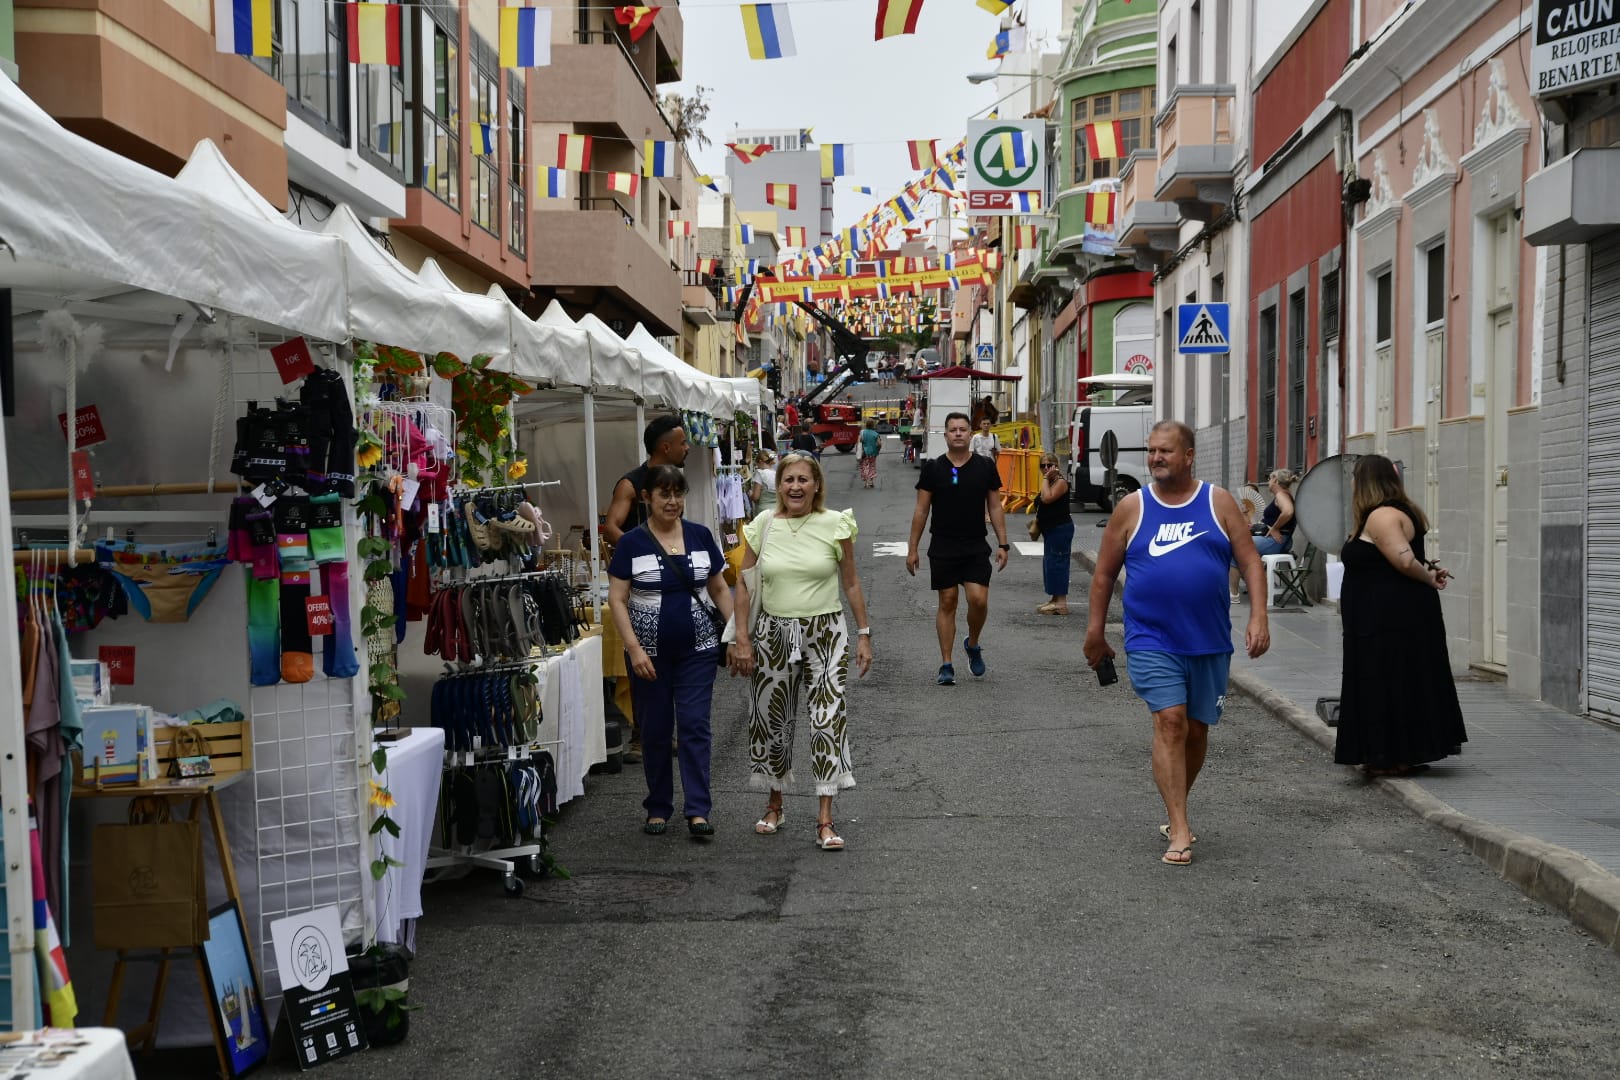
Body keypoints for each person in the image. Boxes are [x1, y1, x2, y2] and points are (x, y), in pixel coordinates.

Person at [1082, 421, 1270, 867]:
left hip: (1207, 640)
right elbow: (1105, 575)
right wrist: (1094, 633)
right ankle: (1181, 827)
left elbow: (1250, 562)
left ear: (1188, 456)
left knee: (1197, 728)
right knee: (1171, 721)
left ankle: (1174, 806)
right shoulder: (1132, 508)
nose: (1155, 458)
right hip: (1151, 639)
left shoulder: (1218, 502)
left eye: (1165, 451)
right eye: (1151, 451)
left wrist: (1260, 616)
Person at [729, 452, 873, 851]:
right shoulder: (762, 525)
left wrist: (864, 633)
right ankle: (774, 804)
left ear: (816, 485)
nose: (795, 487)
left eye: (803, 480)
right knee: (773, 720)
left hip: (825, 632)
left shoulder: (836, 525)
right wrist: (742, 637)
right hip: (773, 632)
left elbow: (852, 584)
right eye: (788, 479)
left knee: (828, 718)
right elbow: (745, 583)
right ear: (779, 484)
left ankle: (825, 818)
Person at [606, 465, 733, 839]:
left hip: (699, 649)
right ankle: (658, 806)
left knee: (695, 726)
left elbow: (720, 588)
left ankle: (698, 809)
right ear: (646, 498)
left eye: (678, 493)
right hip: (648, 653)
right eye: (664, 494)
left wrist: (737, 632)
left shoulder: (700, 535)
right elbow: (617, 599)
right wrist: (634, 649)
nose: (673, 502)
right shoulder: (631, 542)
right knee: (657, 730)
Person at [1333, 455, 1466, 776]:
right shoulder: (1396, 512)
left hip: (1388, 618)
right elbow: (1402, 558)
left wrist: (1429, 577)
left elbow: (1404, 561)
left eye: (1355, 476)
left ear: (1366, 482)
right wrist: (1429, 569)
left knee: (1387, 679)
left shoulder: (1381, 516)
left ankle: (1392, 756)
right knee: (1400, 678)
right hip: (1390, 614)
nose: (1351, 482)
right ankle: (1397, 753)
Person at [906, 412, 1010, 686]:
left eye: (963, 429)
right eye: (953, 430)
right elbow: (921, 510)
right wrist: (912, 548)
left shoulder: (985, 466)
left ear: (970, 433)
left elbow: (995, 506)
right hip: (943, 544)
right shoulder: (934, 468)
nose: (958, 433)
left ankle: (972, 643)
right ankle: (946, 663)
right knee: (948, 601)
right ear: (946, 435)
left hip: (975, 544)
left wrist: (1003, 543)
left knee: (978, 600)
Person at [604, 414, 690, 545]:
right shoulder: (630, 484)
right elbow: (610, 530)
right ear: (666, 447)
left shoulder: (676, 481)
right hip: (640, 563)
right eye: (683, 443)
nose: (687, 448)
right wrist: (641, 550)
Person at [1231, 469, 1298, 603]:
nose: (1268, 481)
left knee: (1235, 547)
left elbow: (1288, 511)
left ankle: (1233, 594)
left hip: (1275, 541)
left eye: (1270, 478)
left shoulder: (1281, 495)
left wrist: (1274, 528)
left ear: (1276, 481)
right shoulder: (1282, 495)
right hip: (1276, 540)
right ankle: (1250, 588)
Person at [1035, 452, 1073, 615]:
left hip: (1060, 529)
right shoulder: (1050, 482)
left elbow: (1047, 498)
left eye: (1049, 465)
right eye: (1042, 466)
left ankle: (1061, 603)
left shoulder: (1061, 482)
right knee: (1050, 564)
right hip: (1051, 529)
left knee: (1058, 563)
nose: (1045, 469)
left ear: (1056, 466)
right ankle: (1054, 598)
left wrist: (1045, 479)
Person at [749, 449, 777, 516]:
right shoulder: (776, 474)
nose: (757, 467)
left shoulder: (759, 473)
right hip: (777, 511)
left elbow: (756, 497)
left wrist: (750, 495)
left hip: (763, 512)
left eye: (757, 464)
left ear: (760, 461)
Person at [857, 419, 881, 489]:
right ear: (873, 425)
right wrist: (878, 450)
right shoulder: (875, 434)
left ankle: (866, 482)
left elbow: (860, 441)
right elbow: (879, 444)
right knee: (872, 466)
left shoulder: (862, 432)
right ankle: (871, 482)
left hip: (864, 453)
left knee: (865, 466)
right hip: (873, 453)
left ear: (866, 425)